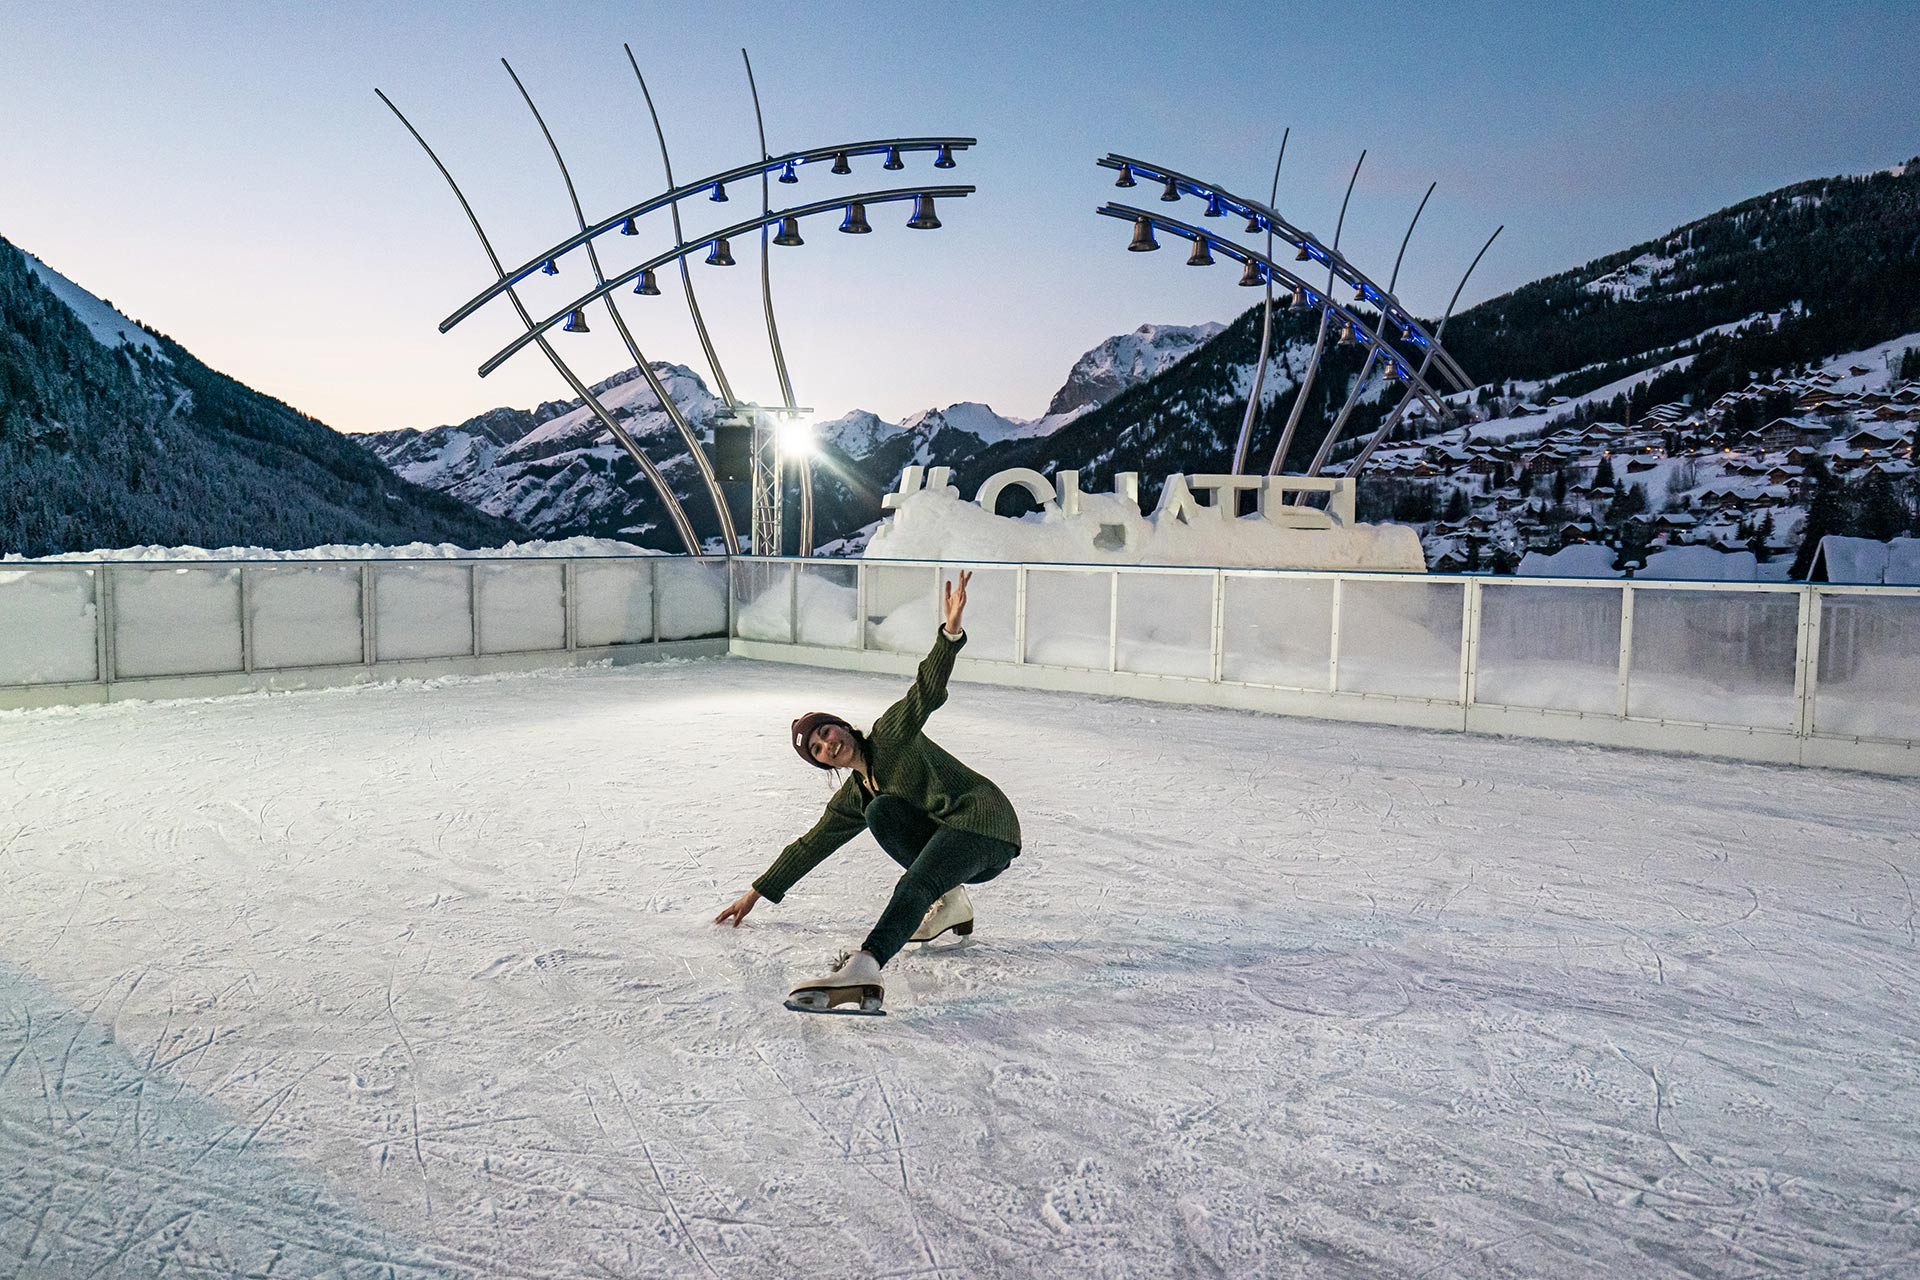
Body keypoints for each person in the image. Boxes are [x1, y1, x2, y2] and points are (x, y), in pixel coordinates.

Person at [713, 571, 1022, 1015]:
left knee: (917, 880)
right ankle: (952, 901)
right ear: (822, 763)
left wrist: (950, 633)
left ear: (841, 725)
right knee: (882, 812)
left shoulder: (890, 736)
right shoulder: (858, 793)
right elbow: (811, 845)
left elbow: (926, 692)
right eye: (818, 750)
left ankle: (867, 964)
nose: (827, 744)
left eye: (826, 731)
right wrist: (756, 893)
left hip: (983, 823)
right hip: (952, 838)